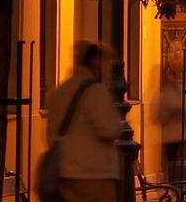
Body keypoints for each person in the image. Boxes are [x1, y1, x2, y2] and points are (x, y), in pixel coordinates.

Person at [39, 41, 128, 202]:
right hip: (94, 174)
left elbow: (50, 133)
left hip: (63, 172)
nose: (108, 69)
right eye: (106, 63)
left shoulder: (60, 91)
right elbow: (108, 129)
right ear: (96, 62)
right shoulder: (95, 91)